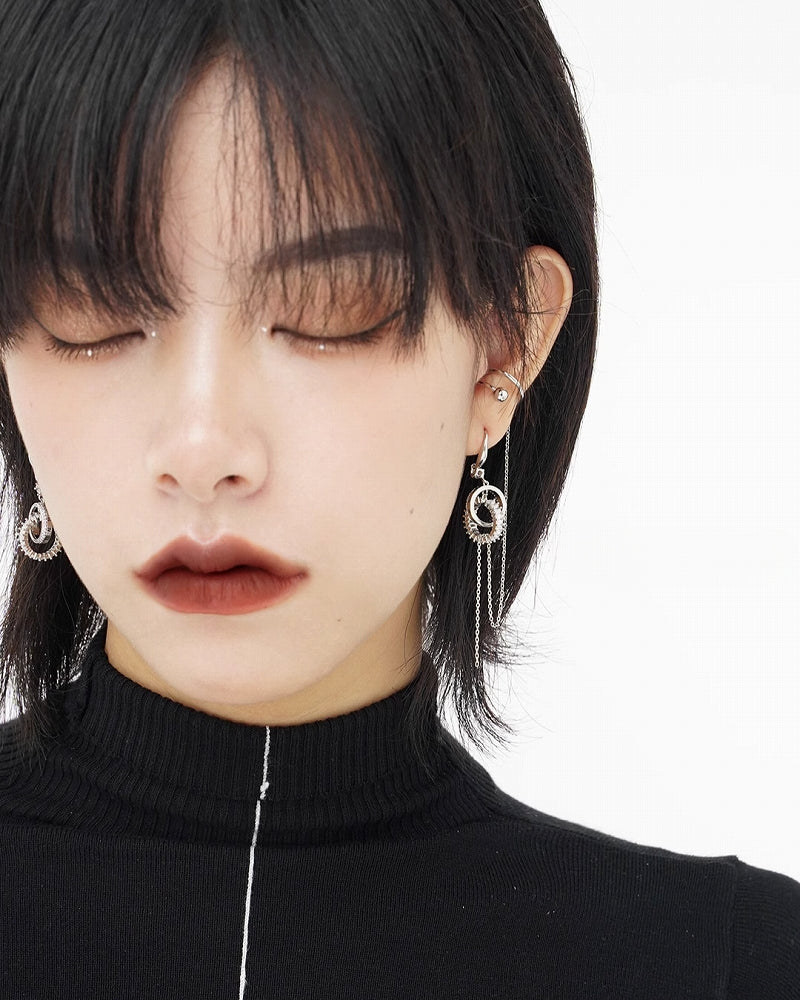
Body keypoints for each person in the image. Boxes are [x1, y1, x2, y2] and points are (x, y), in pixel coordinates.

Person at [0, 0, 797, 996]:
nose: (202, 452)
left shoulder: (733, 965)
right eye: (92, 311)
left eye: (328, 310)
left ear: (502, 347)